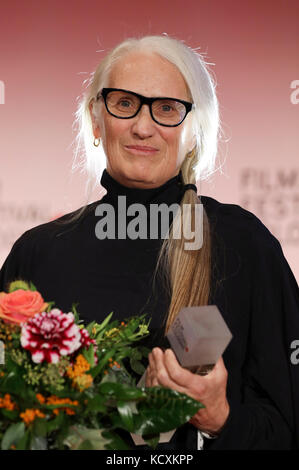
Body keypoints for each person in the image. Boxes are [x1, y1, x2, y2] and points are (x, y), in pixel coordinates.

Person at [0, 35, 299, 450]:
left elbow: (288, 427)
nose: (143, 126)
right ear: (95, 119)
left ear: (195, 131)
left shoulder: (245, 247)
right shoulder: (38, 253)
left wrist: (219, 419)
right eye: (124, 103)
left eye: (166, 109)